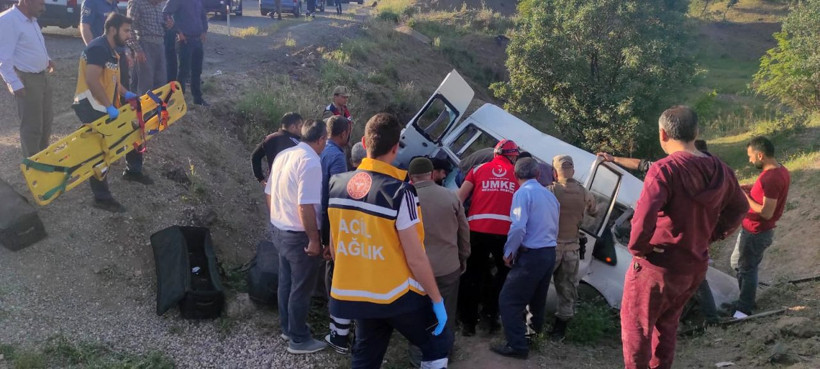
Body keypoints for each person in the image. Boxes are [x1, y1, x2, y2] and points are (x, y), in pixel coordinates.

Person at [620, 106, 748, 369]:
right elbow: (740, 208)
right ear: (696, 132)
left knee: (637, 328)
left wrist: (639, 248)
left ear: (662, 134)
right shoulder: (722, 171)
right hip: (693, 265)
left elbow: (643, 218)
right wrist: (711, 235)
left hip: (658, 266)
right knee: (667, 326)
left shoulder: (664, 169)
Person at [327, 113, 452, 368]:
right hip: (397, 295)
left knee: (366, 355)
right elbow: (416, 258)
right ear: (395, 148)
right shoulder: (400, 192)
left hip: (359, 293)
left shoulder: (336, 185)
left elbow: (335, 246)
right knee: (439, 343)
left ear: (364, 142)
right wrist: (437, 299)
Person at [73, 13, 150, 213]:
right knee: (100, 150)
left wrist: (127, 94)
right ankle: (101, 197)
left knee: (130, 131)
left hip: (103, 104)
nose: (129, 35)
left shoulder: (112, 51)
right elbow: (92, 80)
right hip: (91, 105)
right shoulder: (98, 48)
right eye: (126, 31)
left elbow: (113, 82)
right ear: (113, 29)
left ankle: (132, 171)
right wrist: (109, 106)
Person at [265, 119, 328, 354]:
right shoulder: (310, 162)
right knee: (300, 288)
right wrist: (314, 239)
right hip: (299, 235)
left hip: (280, 229)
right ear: (321, 139)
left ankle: (288, 328)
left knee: (286, 283)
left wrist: (277, 217)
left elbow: (269, 192)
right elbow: (305, 205)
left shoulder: (284, 155)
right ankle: (299, 339)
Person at [491, 157, 559, 359]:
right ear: (538, 174)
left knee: (508, 300)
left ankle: (517, 345)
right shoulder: (550, 196)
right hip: (548, 252)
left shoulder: (523, 193)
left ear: (515, 175)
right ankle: (531, 337)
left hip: (532, 254)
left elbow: (519, 227)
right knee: (536, 299)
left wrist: (509, 253)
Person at [407, 157, 470, 364]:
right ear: (432, 174)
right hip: (447, 267)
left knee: (416, 312)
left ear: (411, 176)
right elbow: (463, 231)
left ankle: (418, 355)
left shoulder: (404, 198)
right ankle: (443, 353)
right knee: (445, 311)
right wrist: (463, 256)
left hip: (413, 271)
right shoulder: (451, 197)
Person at [456, 139, 519, 336]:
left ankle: (468, 323)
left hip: (476, 229)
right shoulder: (517, 175)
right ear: (513, 156)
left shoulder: (477, 169)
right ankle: (490, 316)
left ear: (495, 154)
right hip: (504, 232)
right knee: (504, 274)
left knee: (472, 274)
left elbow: (459, 199)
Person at [730, 136, 790, 318]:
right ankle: (746, 297)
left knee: (747, 269)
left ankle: (744, 309)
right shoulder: (779, 170)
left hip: (756, 232)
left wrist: (745, 197)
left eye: (751, 156)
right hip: (751, 229)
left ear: (760, 155)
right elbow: (765, 192)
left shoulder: (771, 178)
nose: (750, 160)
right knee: (737, 263)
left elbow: (766, 212)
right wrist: (750, 188)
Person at [547, 154, 597, 340]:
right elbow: (595, 212)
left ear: (555, 172)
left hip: (550, 248)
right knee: (567, 290)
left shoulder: (550, 190)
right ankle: (559, 332)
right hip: (571, 250)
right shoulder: (585, 193)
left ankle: (530, 326)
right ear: (573, 171)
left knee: (537, 285)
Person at [0, 0, 55, 158]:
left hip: (42, 77)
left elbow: (30, 45)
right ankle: (33, 165)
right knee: (32, 127)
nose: (43, 8)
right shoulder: (8, 20)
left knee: (46, 124)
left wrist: (47, 59)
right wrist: (14, 83)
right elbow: (3, 58)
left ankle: (43, 160)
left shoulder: (31, 19)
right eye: (40, 3)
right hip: (27, 80)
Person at [320, 115, 353, 354]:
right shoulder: (338, 157)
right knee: (337, 271)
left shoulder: (320, 149)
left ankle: (333, 316)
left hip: (319, 216)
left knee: (329, 269)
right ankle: (340, 330)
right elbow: (338, 194)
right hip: (332, 219)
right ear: (343, 134)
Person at [163, 0, 208, 106]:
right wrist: (178, 31)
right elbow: (165, 13)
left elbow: (203, 15)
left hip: (198, 40)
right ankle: (179, 100)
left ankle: (197, 99)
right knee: (184, 71)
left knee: (197, 71)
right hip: (185, 40)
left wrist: (204, 30)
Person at [127, 0, 171, 94]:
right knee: (146, 83)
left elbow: (161, 25)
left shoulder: (160, 5)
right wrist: (138, 50)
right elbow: (129, 27)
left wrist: (169, 24)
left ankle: (158, 102)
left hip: (160, 44)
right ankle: (142, 102)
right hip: (145, 44)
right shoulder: (137, 3)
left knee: (161, 80)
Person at [250, 112, 304, 185]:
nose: (302, 129)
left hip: (273, 184)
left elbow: (255, 157)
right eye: (300, 126)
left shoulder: (269, 138)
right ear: (293, 127)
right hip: (291, 186)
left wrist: (261, 179)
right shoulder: (296, 144)